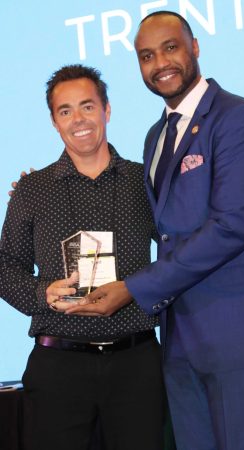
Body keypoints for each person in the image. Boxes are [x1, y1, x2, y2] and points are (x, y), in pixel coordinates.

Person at [66, 11, 244, 450]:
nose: (160, 63)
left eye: (170, 47)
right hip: (180, 334)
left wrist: (132, 287)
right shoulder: (156, 136)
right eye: (147, 56)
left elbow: (230, 226)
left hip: (238, 329)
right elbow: (164, 227)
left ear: (195, 47)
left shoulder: (237, 118)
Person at [0, 64, 168, 450]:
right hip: (58, 365)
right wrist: (42, 293)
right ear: (54, 121)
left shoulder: (146, 182)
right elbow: (6, 265)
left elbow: (185, 251)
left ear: (106, 110)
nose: (79, 119)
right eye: (65, 111)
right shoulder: (31, 189)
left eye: (88, 106)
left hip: (136, 362)